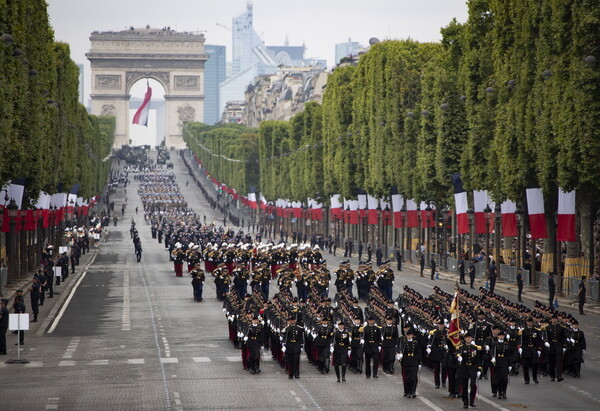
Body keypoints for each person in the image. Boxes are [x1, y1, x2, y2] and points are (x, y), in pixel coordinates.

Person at [457, 333, 482, 409]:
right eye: (467, 338)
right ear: (464, 339)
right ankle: (465, 402)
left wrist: (479, 369)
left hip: (472, 368)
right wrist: (458, 358)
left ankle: (472, 401)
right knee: (464, 387)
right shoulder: (461, 347)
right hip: (464, 368)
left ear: (471, 339)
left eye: (470, 338)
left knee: (473, 385)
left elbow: (478, 359)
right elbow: (457, 354)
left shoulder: (475, 348)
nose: (468, 339)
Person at [398, 328, 422, 398]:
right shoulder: (404, 343)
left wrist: (420, 362)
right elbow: (400, 350)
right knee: (407, 377)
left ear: (412, 335)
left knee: (413, 377)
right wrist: (399, 355)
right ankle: (408, 391)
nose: (408, 336)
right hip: (406, 361)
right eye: (407, 335)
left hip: (414, 361)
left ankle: (413, 391)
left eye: (410, 335)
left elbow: (419, 353)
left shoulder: (415, 343)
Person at [519, 317, 542, 384]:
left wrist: (539, 349)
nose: (530, 323)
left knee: (535, 364)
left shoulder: (536, 330)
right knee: (525, 365)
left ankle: (535, 378)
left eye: (531, 322)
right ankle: (527, 379)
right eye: (528, 322)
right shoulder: (523, 330)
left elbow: (539, 340)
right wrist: (520, 348)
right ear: (526, 323)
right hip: (526, 349)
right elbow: (520, 340)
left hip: (533, 349)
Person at [544, 313, 567, 382]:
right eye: (553, 319)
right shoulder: (548, 327)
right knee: (551, 362)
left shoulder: (561, 327)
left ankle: (559, 375)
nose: (554, 320)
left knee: (559, 362)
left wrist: (564, 346)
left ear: (557, 319)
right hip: (551, 346)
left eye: (555, 319)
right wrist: (546, 342)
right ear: (551, 320)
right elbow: (545, 336)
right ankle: (552, 376)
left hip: (558, 345)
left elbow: (564, 338)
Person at [490, 330, 512, 399]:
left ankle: (504, 392)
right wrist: (493, 358)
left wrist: (510, 364)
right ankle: (499, 392)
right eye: (500, 336)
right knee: (498, 379)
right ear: (498, 336)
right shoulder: (495, 344)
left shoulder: (506, 344)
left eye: (502, 336)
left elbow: (509, 355)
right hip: (498, 362)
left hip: (504, 362)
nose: (501, 337)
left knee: (504, 379)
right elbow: (492, 352)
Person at [427, 320, 448, 389]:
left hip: (444, 351)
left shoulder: (447, 332)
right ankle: (437, 383)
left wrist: (447, 346)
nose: (441, 326)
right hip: (436, 351)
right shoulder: (434, 332)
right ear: (438, 325)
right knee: (437, 368)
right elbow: (430, 341)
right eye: (440, 324)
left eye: (442, 324)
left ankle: (443, 381)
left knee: (444, 367)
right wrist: (429, 346)